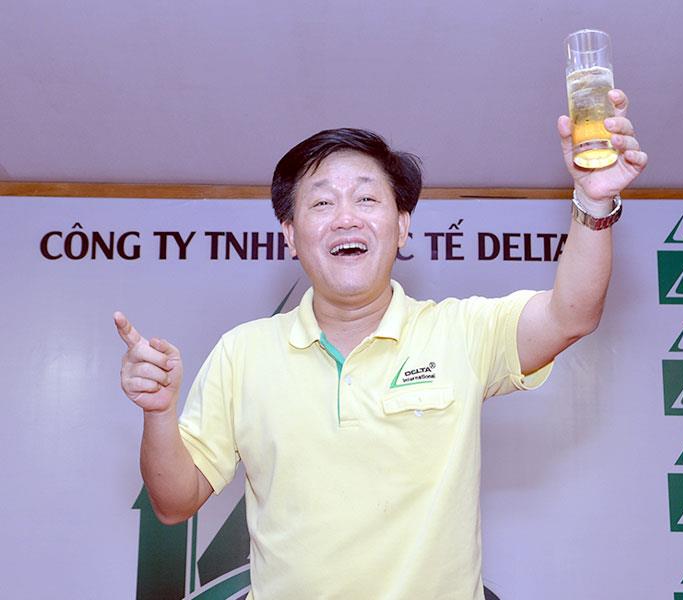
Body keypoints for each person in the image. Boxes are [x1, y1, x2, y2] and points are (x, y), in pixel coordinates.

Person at [115, 91, 646, 599]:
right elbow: (174, 502)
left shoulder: (461, 332)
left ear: (401, 226)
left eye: (367, 198)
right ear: (290, 234)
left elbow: (572, 314)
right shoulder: (242, 353)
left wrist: (593, 200)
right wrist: (158, 412)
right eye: (322, 202)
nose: (346, 217)